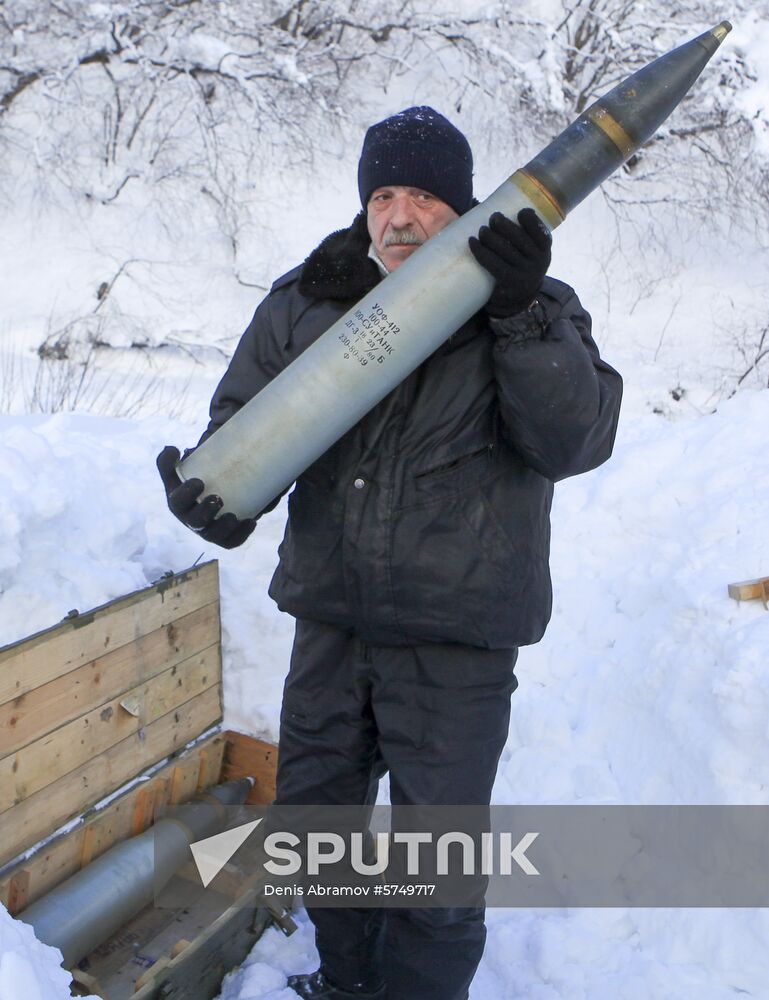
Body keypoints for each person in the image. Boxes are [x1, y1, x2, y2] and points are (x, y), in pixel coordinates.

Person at [158, 106, 623, 1000]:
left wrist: (521, 315)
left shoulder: (533, 305)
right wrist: (213, 502)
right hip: (331, 619)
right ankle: (347, 981)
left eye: (422, 195)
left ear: (460, 206)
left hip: (457, 634)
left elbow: (572, 441)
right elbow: (241, 429)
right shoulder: (307, 297)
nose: (400, 216)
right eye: (382, 194)